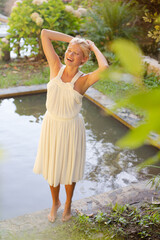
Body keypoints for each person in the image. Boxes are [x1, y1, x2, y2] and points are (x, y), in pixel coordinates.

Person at [33, 29, 108, 223]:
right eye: (69, 50)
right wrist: (75, 41)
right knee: (52, 166)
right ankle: (55, 203)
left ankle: (67, 204)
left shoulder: (83, 80)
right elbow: (44, 34)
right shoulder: (55, 67)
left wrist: (91, 46)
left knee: (69, 169)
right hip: (51, 125)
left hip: (71, 128)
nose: (70, 55)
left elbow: (104, 68)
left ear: (83, 60)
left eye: (75, 53)